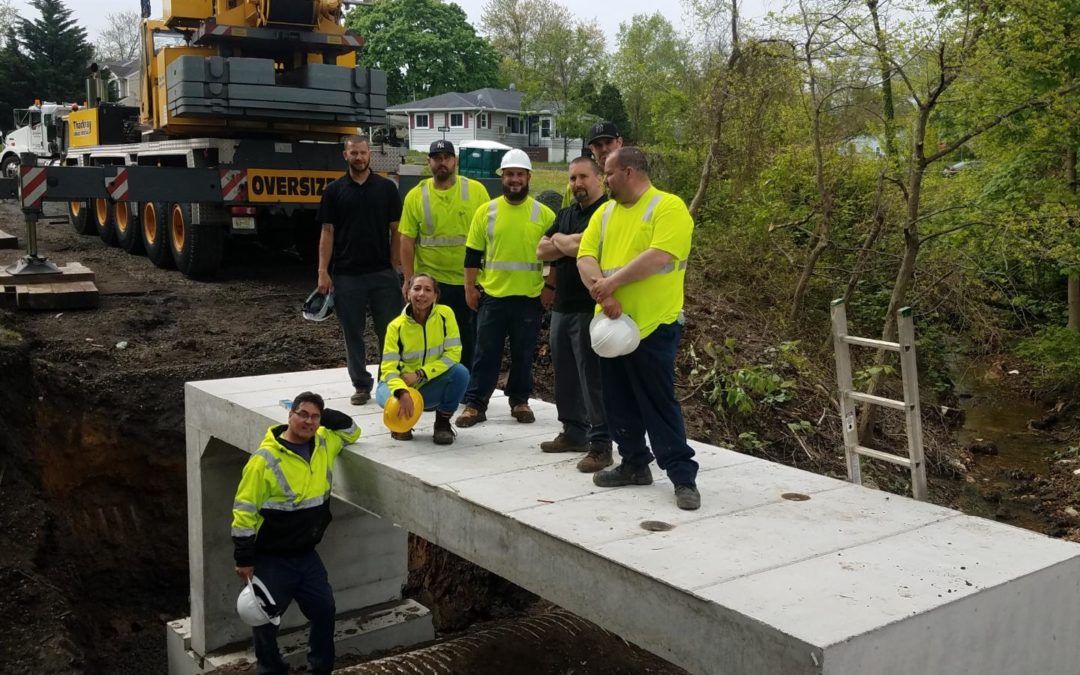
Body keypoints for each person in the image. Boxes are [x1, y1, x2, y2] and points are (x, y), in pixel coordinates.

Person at [577, 147, 700, 511]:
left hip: (654, 326)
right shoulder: (605, 212)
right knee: (617, 400)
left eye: (608, 172)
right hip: (613, 325)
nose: (604, 179)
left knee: (658, 402)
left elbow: (659, 256)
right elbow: (586, 255)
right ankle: (633, 463)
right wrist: (601, 292)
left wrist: (610, 287)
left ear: (628, 172)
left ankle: (682, 477)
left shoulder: (668, 207)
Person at [232, 392, 361, 675]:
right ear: (289, 414)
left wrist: (323, 416)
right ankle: (271, 669)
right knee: (263, 619)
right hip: (271, 558)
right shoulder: (264, 460)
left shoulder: (325, 442)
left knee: (324, 611)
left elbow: (352, 431)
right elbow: (244, 510)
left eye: (314, 416)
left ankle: (321, 668)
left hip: (306, 556)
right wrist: (244, 557)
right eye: (302, 414)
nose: (308, 421)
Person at [455, 149, 556, 428]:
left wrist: (549, 287)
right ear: (502, 177)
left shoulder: (543, 214)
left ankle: (520, 401)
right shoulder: (486, 212)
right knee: (485, 353)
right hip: (493, 297)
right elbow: (472, 255)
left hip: (528, 298)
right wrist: (469, 288)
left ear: (528, 177)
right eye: (509, 174)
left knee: (524, 353)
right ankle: (476, 404)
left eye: (519, 174)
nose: (514, 179)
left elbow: (556, 256)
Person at [536, 157, 612, 472]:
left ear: (599, 179)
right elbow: (541, 249)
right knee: (565, 375)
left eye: (583, 177)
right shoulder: (566, 214)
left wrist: (563, 243)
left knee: (591, 379)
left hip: (590, 308)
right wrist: (570, 244)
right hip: (562, 307)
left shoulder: (607, 213)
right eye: (572, 178)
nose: (577, 184)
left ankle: (601, 445)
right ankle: (573, 432)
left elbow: (588, 244)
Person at [317, 134, 404, 406]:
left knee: (389, 332)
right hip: (347, 274)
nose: (359, 157)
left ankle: (388, 383)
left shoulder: (387, 189)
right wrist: (323, 271)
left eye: (363, 153)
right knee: (352, 333)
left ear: (370, 155)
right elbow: (327, 232)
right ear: (346, 155)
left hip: (382, 274)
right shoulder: (333, 192)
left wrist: (394, 265)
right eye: (353, 153)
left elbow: (396, 230)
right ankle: (361, 385)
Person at [399, 140, 491, 372]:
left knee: (466, 337)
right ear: (428, 161)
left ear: (455, 161)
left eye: (447, 157)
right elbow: (406, 240)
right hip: (432, 282)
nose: (442, 162)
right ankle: (431, 380)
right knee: (431, 335)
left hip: (467, 281)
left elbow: (490, 234)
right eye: (437, 158)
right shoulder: (416, 196)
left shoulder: (476, 191)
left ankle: (465, 384)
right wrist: (409, 280)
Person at [377, 273, 469, 444]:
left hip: (427, 383)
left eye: (428, 289)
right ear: (408, 293)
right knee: (395, 402)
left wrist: (420, 374)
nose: (422, 294)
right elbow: (389, 368)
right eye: (417, 288)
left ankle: (442, 424)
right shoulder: (395, 327)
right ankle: (400, 425)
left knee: (460, 373)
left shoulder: (445, 315)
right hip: (399, 384)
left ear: (435, 295)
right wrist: (402, 391)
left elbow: (453, 354)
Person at [562, 120, 624, 207]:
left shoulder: (630, 178)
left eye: (608, 142)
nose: (604, 149)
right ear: (592, 149)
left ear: (619, 142)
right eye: (598, 145)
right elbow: (566, 215)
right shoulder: (576, 185)